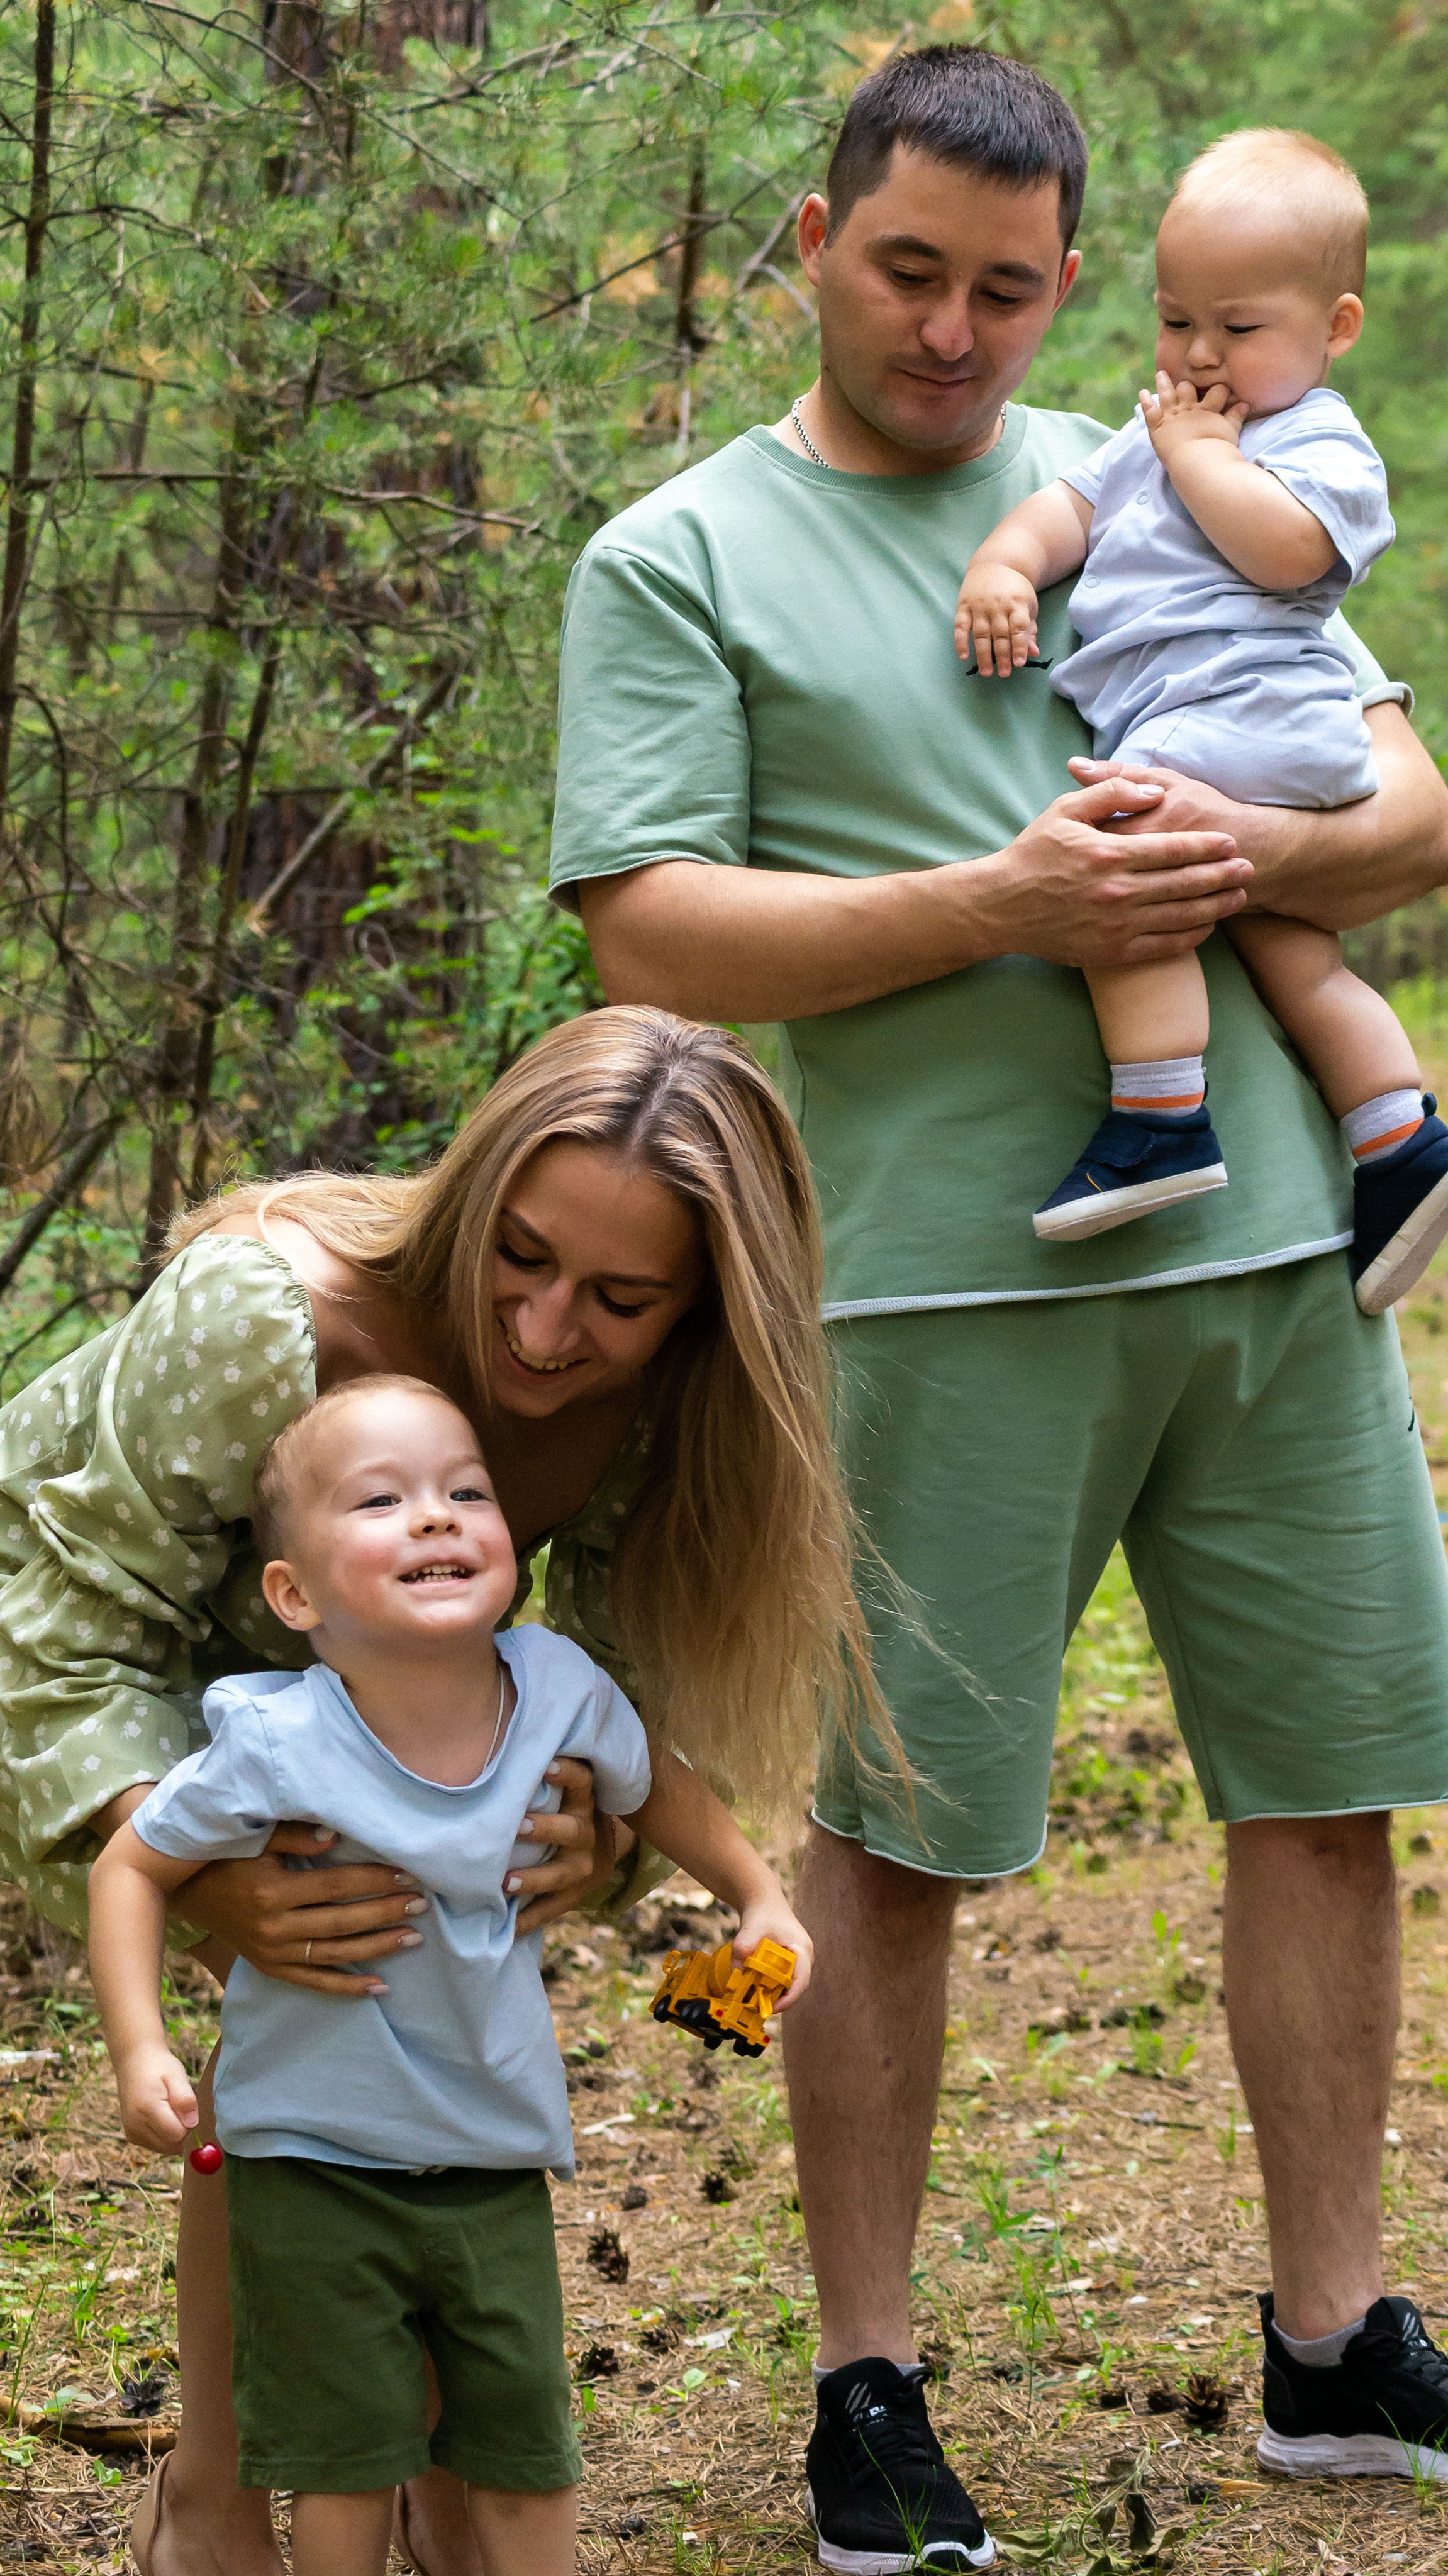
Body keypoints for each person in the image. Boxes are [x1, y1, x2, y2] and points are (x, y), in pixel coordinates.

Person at [549, 42, 1448, 2572]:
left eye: (1005, 286)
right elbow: (649, 919)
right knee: (901, 1841)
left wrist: (1223, 842)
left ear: (1072, 282)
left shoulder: (1170, 457)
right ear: (813, 242)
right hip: (939, 1279)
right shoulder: (683, 559)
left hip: (1272, 1250)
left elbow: (1400, 807)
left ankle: (1326, 2337)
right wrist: (993, 911)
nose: (953, 331)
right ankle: (865, 2378)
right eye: (906, 268)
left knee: (1321, 1785)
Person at [0, 1005, 871, 2576]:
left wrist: (590, 1842)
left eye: (618, 1299)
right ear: (472, 1197)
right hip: (79, 1621)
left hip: (375, 1661)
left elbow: (615, 1704)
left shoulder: (665, 1403)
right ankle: (206, 2493)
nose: (545, 1333)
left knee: (373, 2013)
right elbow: (65, 1623)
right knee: (295, 2028)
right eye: (519, 1259)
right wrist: (197, 1877)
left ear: (698, 1310)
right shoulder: (261, 1318)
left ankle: (417, 2470)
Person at [90, 1375, 811, 2576]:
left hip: (492, 2159)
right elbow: (131, 1867)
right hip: (310, 2163)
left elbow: (655, 1782)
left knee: (527, 2460)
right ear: (295, 1593)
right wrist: (140, 2047)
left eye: (465, 1492)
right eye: (382, 1500)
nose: (435, 1517)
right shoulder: (278, 1742)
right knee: (345, 2466)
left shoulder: (557, 1691)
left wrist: (759, 1897)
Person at [955, 127, 1448, 1303]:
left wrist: (1194, 456)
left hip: (1252, 708)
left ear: (1333, 329)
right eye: (1179, 321)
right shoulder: (1168, 426)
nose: (1200, 352)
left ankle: (1161, 1116)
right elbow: (1068, 508)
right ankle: (1398, 1139)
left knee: (1126, 867)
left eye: (1240, 328)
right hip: (1223, 721)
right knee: (1293, 956)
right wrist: (1002, 569)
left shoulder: (1316, 439)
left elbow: (1287, 556)